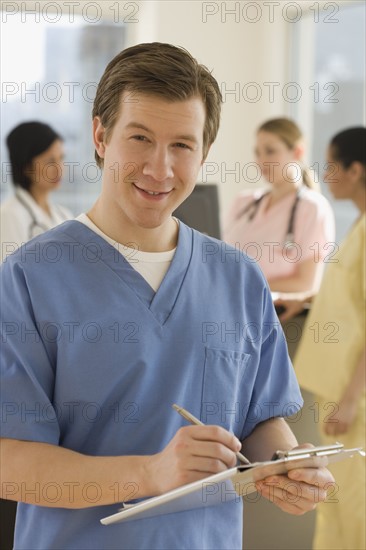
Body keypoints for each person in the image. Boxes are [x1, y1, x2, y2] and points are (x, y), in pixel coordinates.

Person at [0, 43, 334, 550]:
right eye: (140, 138)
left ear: (203, 153)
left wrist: (285, 468)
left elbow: (260, 420)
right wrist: (150, 473)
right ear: (100, 136)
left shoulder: (238, 278)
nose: (160, 168)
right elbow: (10, 462)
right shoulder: (30, 277)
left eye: (182, 145)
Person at [275, 127, 366, 550]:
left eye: (332, 164)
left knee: (354, 508)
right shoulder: (360, 225)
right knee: (337, 505)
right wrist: (308, 298)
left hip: (356, 401)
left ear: (355, 170)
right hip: (339, 393)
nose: (325, 173)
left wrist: (350, 399)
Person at [223, 118, 335, 293]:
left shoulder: (313, 208)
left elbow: (306, 284)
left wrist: (244, 287)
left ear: (297, 152)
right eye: (257, 152)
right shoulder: (243, 202)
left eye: (270, 151)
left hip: (273, 313)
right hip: (228, 304)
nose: (261, 161)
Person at [0, 121, 73, 263]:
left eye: (61, 158)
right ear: (27, 167)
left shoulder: (64, 215)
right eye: (50, 162)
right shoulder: (8, 216)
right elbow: (9, 280)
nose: (59, 169)